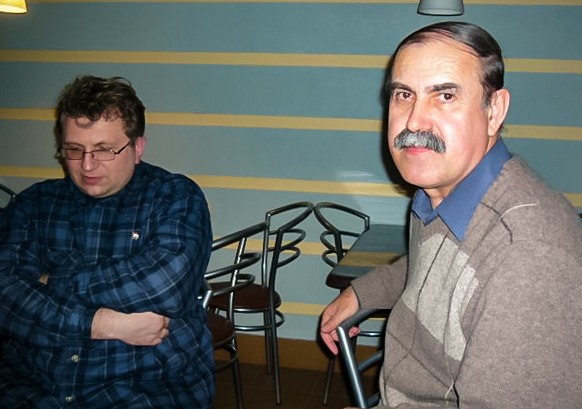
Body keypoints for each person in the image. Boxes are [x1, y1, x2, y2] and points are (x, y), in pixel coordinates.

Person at [320, 21, 582, 409]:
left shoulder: (529, 257)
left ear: (494, 110)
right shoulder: (438, 192)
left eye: (445, 95)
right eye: (404, 94)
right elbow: (434, 268)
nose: (413, 121)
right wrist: (363, 292)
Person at [0, 76, 215, 408]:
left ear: (137, 147)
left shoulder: (175, 197)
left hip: (145, 388)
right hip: (33, 387)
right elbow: (6, 297)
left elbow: (165, 287)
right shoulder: (33, 204)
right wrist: (100, 323)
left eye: (103, 150)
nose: (87, 165)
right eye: (74, 150)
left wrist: (53, 281)